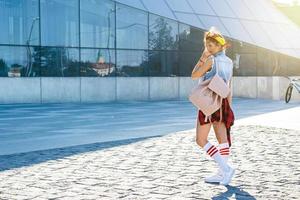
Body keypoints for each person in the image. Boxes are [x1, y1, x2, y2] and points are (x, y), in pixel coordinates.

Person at [191, 28, 235, 185]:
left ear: (220, 46)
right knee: (222, 138)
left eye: (211, 45)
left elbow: (194, 75)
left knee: (200, 139)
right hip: (222, 100)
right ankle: (222, 173)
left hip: (209, 100)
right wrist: (229, 106)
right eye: (207, 45)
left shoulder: (211, 60)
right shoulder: (229, 62)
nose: (209, 48)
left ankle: (225, 169)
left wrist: (203, 57)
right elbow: (229, 85)